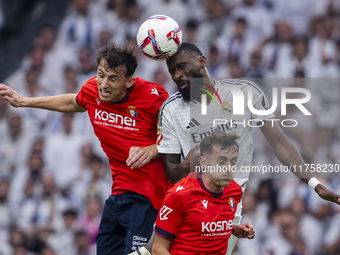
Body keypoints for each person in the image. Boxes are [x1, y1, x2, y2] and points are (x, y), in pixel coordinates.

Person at [157, 42, 340, 254]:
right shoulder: (170, 110)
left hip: (227, 210)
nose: (177, 75)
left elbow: (280, 143)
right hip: (186, 209)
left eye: (181, 66)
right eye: (172, 71)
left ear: (202, 62)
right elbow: (171, 174)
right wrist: (190, 163)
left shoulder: (244, 93)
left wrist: (315, 184)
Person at [0, 42, 170, 254]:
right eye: (101, 74)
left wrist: (150, 150)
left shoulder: (155, 96)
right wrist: (24, 101)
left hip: (149, 196)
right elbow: (73, 102)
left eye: (113, 78)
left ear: (129, 82)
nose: (104, 84)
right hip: (118, 194)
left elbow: (179, 136)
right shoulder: (92, 90)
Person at [152, 132, 255, 254]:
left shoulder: (235, 191)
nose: (228, 167)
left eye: (232, 161)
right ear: (203, 162)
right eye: (221, 161)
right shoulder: (179, 195)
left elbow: (200, 222)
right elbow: (158, 249)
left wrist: (232, 229)